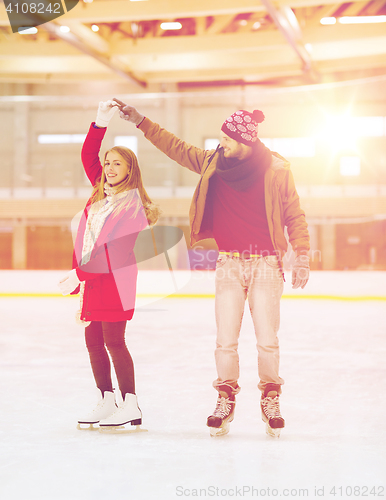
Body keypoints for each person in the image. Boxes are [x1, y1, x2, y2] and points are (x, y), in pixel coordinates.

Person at [114, 98, 310, 438]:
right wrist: (141, 121)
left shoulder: (277, 170)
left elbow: (294, 214)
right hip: (229, 264)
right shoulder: (212, 163)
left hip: (265, 263)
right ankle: (225, 397)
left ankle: (270, 396)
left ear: (245, 143)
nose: (221, 144)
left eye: (227, 140)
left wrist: (303, 255)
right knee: (225, 341)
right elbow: (175, 147)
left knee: (267, 340)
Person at [58, 101, 160, 431]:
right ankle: (106, 399)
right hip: (92, 283)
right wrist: (101, 121)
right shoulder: (100, 193)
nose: (109, 167)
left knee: (114, 342)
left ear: (130, 169)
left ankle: (130, 403)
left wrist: (77, 274)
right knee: (92, 343)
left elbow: (114, 253)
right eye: (107, 162)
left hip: (114, 283)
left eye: (117, 163)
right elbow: (88, 155)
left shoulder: (133, 207)